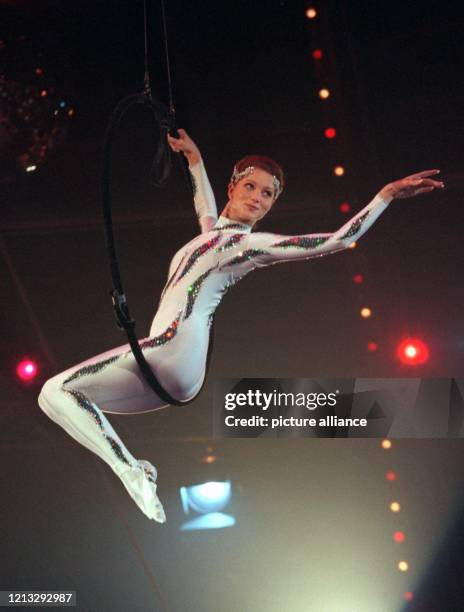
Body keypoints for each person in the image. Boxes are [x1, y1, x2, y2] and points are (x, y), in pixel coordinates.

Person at [38, 129, 444, 522]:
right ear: (233, 187)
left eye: (268, 194)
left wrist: (385, 196)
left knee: (55, 388)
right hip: (174, 377)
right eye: (251, 187)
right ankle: (132, 470)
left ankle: (131, 471)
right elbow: (205, 210)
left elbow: (336, 240)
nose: (258, 198)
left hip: (173, 345)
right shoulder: (213, 235)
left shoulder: (248, 245)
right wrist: (194, 160)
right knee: (61, 398)